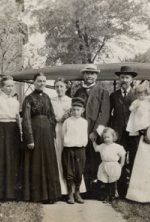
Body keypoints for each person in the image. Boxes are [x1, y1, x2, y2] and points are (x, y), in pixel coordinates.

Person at [21, 73, 61, 203]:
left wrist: (52, 133)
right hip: (35, 132)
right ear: (34, 82)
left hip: (47, 133)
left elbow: (52, 116)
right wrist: (30, 138)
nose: (42, 83)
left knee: (48, 161)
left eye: (44, 81)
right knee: (36, 162)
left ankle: (50, 195)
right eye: (39, 81)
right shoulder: (28, 98)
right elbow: (26, 119)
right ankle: (37, 195)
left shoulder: (47, 97)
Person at [74, 64, 110, 195]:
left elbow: (104, 113)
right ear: (83, 75)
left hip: (95, 133)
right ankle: (82, 189)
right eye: (87, 73)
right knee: (81, 159)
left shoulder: (102, 92)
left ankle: (95, 190)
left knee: (95, 160)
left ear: (96, 76)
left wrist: (95, 132)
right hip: (80, 132)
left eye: (93, 73)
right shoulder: (78, 92)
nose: (90, 76)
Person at [51, 77, 86, 196]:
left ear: (66, 88)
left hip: (70, 130)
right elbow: (49, 116)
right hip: (56, 129)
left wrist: (66, 117)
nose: (59, 89)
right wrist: (56, 119)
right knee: (58, 156)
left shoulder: (70, 101)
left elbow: (77, 116)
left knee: (71, 160)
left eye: (61, 86)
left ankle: (74, 190)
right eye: (57, 86)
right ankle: (60, 189)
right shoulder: (51, 101)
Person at [109, 65, 138, 197]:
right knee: (118, 159)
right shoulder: (113, 95)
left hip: (133, 133)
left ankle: (131, 190)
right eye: (122, 77)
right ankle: (119, 190)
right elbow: (109, 114)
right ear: (119, 79)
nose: (124, 80)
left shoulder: (136, 96)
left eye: (127, 77)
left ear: (131, 79)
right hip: (118, 133)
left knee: (132, 160)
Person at [62, 97, 88, 204]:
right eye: (74, 109)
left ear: (82, 110)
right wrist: (68, 143)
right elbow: (63, 134)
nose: (76, 112)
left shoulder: (84, 122)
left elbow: (84, 135)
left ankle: (77, 192)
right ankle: (70, 194)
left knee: (79, 171)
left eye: (78, 110)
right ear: (71, 110)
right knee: (69, 171)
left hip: (80, 149)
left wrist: (82, 144)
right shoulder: (67, 121)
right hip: (69, 149)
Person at [93, 127, 126, 203]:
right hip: (104, 165)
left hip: (113, 165)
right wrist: (93, 142)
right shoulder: (102, 146)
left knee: (112, 182)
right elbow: (96, 148)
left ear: (113, 137)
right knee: (105, 181)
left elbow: (123, 154)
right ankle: (107, 196)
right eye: (104, 138)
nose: (106, 139)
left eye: (108, 137)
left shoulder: (117, 147)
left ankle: (113, 196)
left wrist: (122, 164)